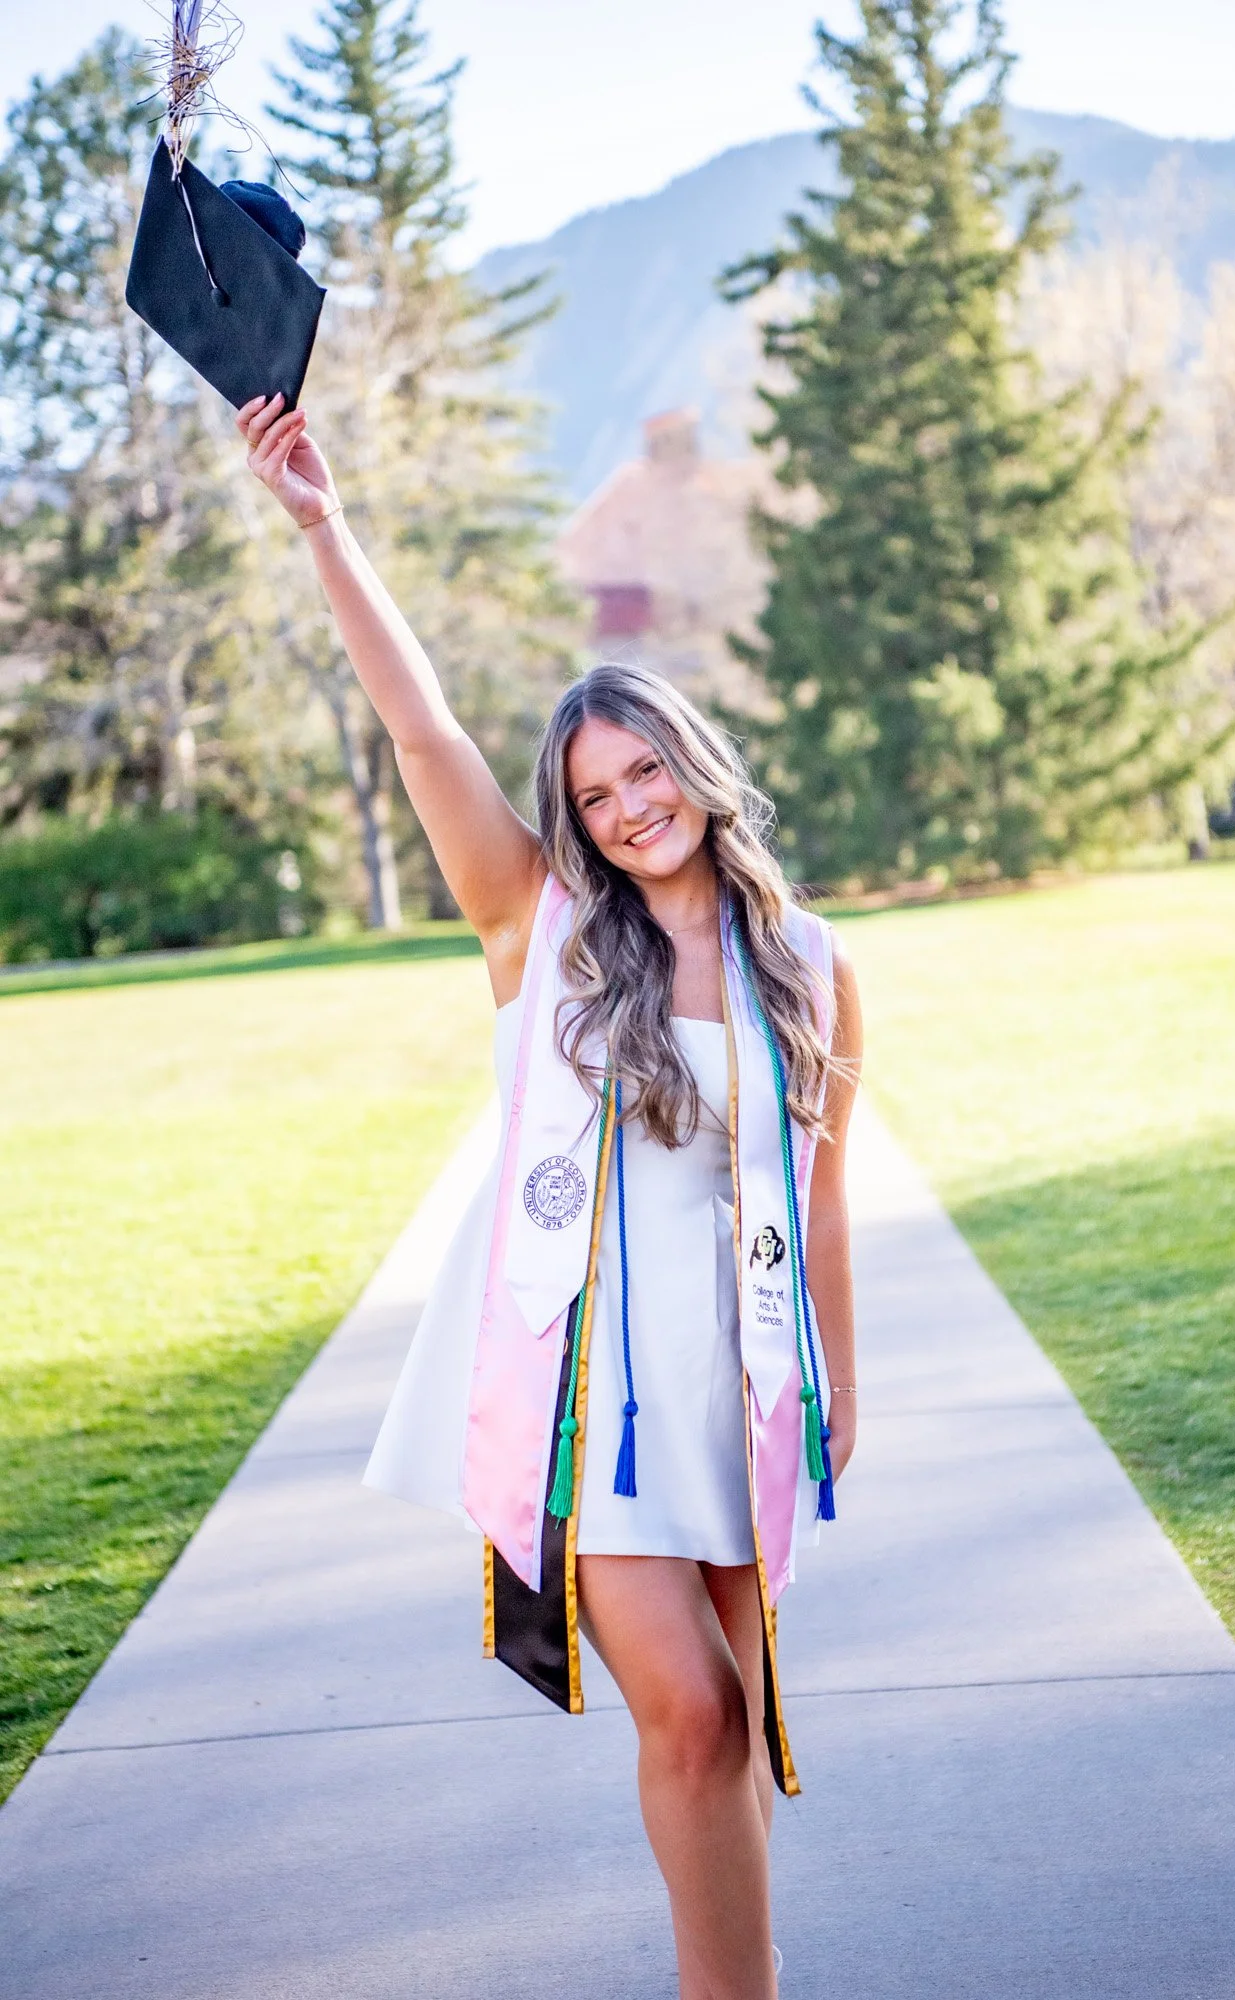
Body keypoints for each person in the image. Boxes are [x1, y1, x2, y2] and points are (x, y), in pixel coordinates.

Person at [236, 391, 862, 2000]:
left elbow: (824, 1185)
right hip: (584, 1397)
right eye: (593, 794)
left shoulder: (806, 969)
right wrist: (325, 524)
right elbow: (423, 731)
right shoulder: (548, 939)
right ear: (571, 817)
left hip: (732, 1393)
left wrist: (835, 1383)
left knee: (738, 1721)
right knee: (692, 1710)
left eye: (644, 769)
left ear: (693, 766)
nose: (627, 806)